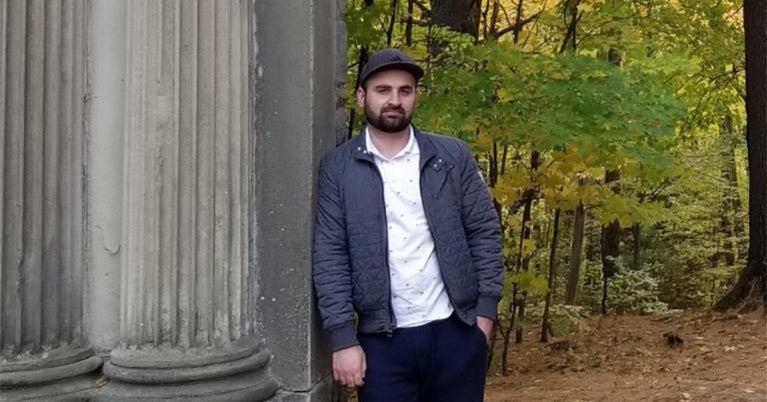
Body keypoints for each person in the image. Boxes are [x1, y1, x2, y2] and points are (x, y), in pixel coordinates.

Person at [312, 48, 504, 402]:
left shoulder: (451, 157)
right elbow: (331, 255)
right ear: (361, 96)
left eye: (405, 90)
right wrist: (342, 339)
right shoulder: (338, 168)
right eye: (383, 90)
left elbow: (484, 233)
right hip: (382, 344)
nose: (394, 100)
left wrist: (484, 316)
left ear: (415, 96)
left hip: (457, 333)